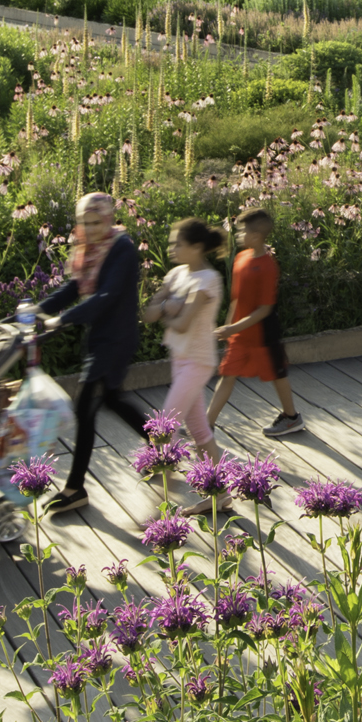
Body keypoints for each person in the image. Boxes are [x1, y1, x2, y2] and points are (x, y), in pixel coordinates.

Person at [38, 192, 151, 516]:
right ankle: (161, 443)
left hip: (116, 338)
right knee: (113, 398)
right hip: (100, 337)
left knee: (84, 407)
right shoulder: (90, 249)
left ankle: (74, 489)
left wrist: (63, 318)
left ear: (107, 219)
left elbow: (107, 294)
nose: (88, 228)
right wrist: (38, 310)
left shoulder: (122, 249)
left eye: (94, 221)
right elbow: (75, 288)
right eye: (83, 222)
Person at [147, 218, 226, 514]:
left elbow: (180, 324)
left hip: (198, 362)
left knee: (163, 429)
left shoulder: (208, 280)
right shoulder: (177, 274)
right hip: (179, 361)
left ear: (196, 247)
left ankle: (159, 508)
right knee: (200, 432)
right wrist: (169, 308)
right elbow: (151, 313)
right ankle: (221, 494)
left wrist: (168, 308)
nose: (172, 248)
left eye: (178, 243)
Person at [207, 207, 305, 439]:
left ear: (256, 236)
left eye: (242, 231)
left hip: (263, 334)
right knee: (227, 374)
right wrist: (229, 329)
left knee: (277, 374)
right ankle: (206, 424)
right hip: (240, 334)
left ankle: (291, 418)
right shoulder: (241, 259)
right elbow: (237, 299)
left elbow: (264, 309)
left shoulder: (268, 266)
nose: (238, 235)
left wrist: (234, 327)